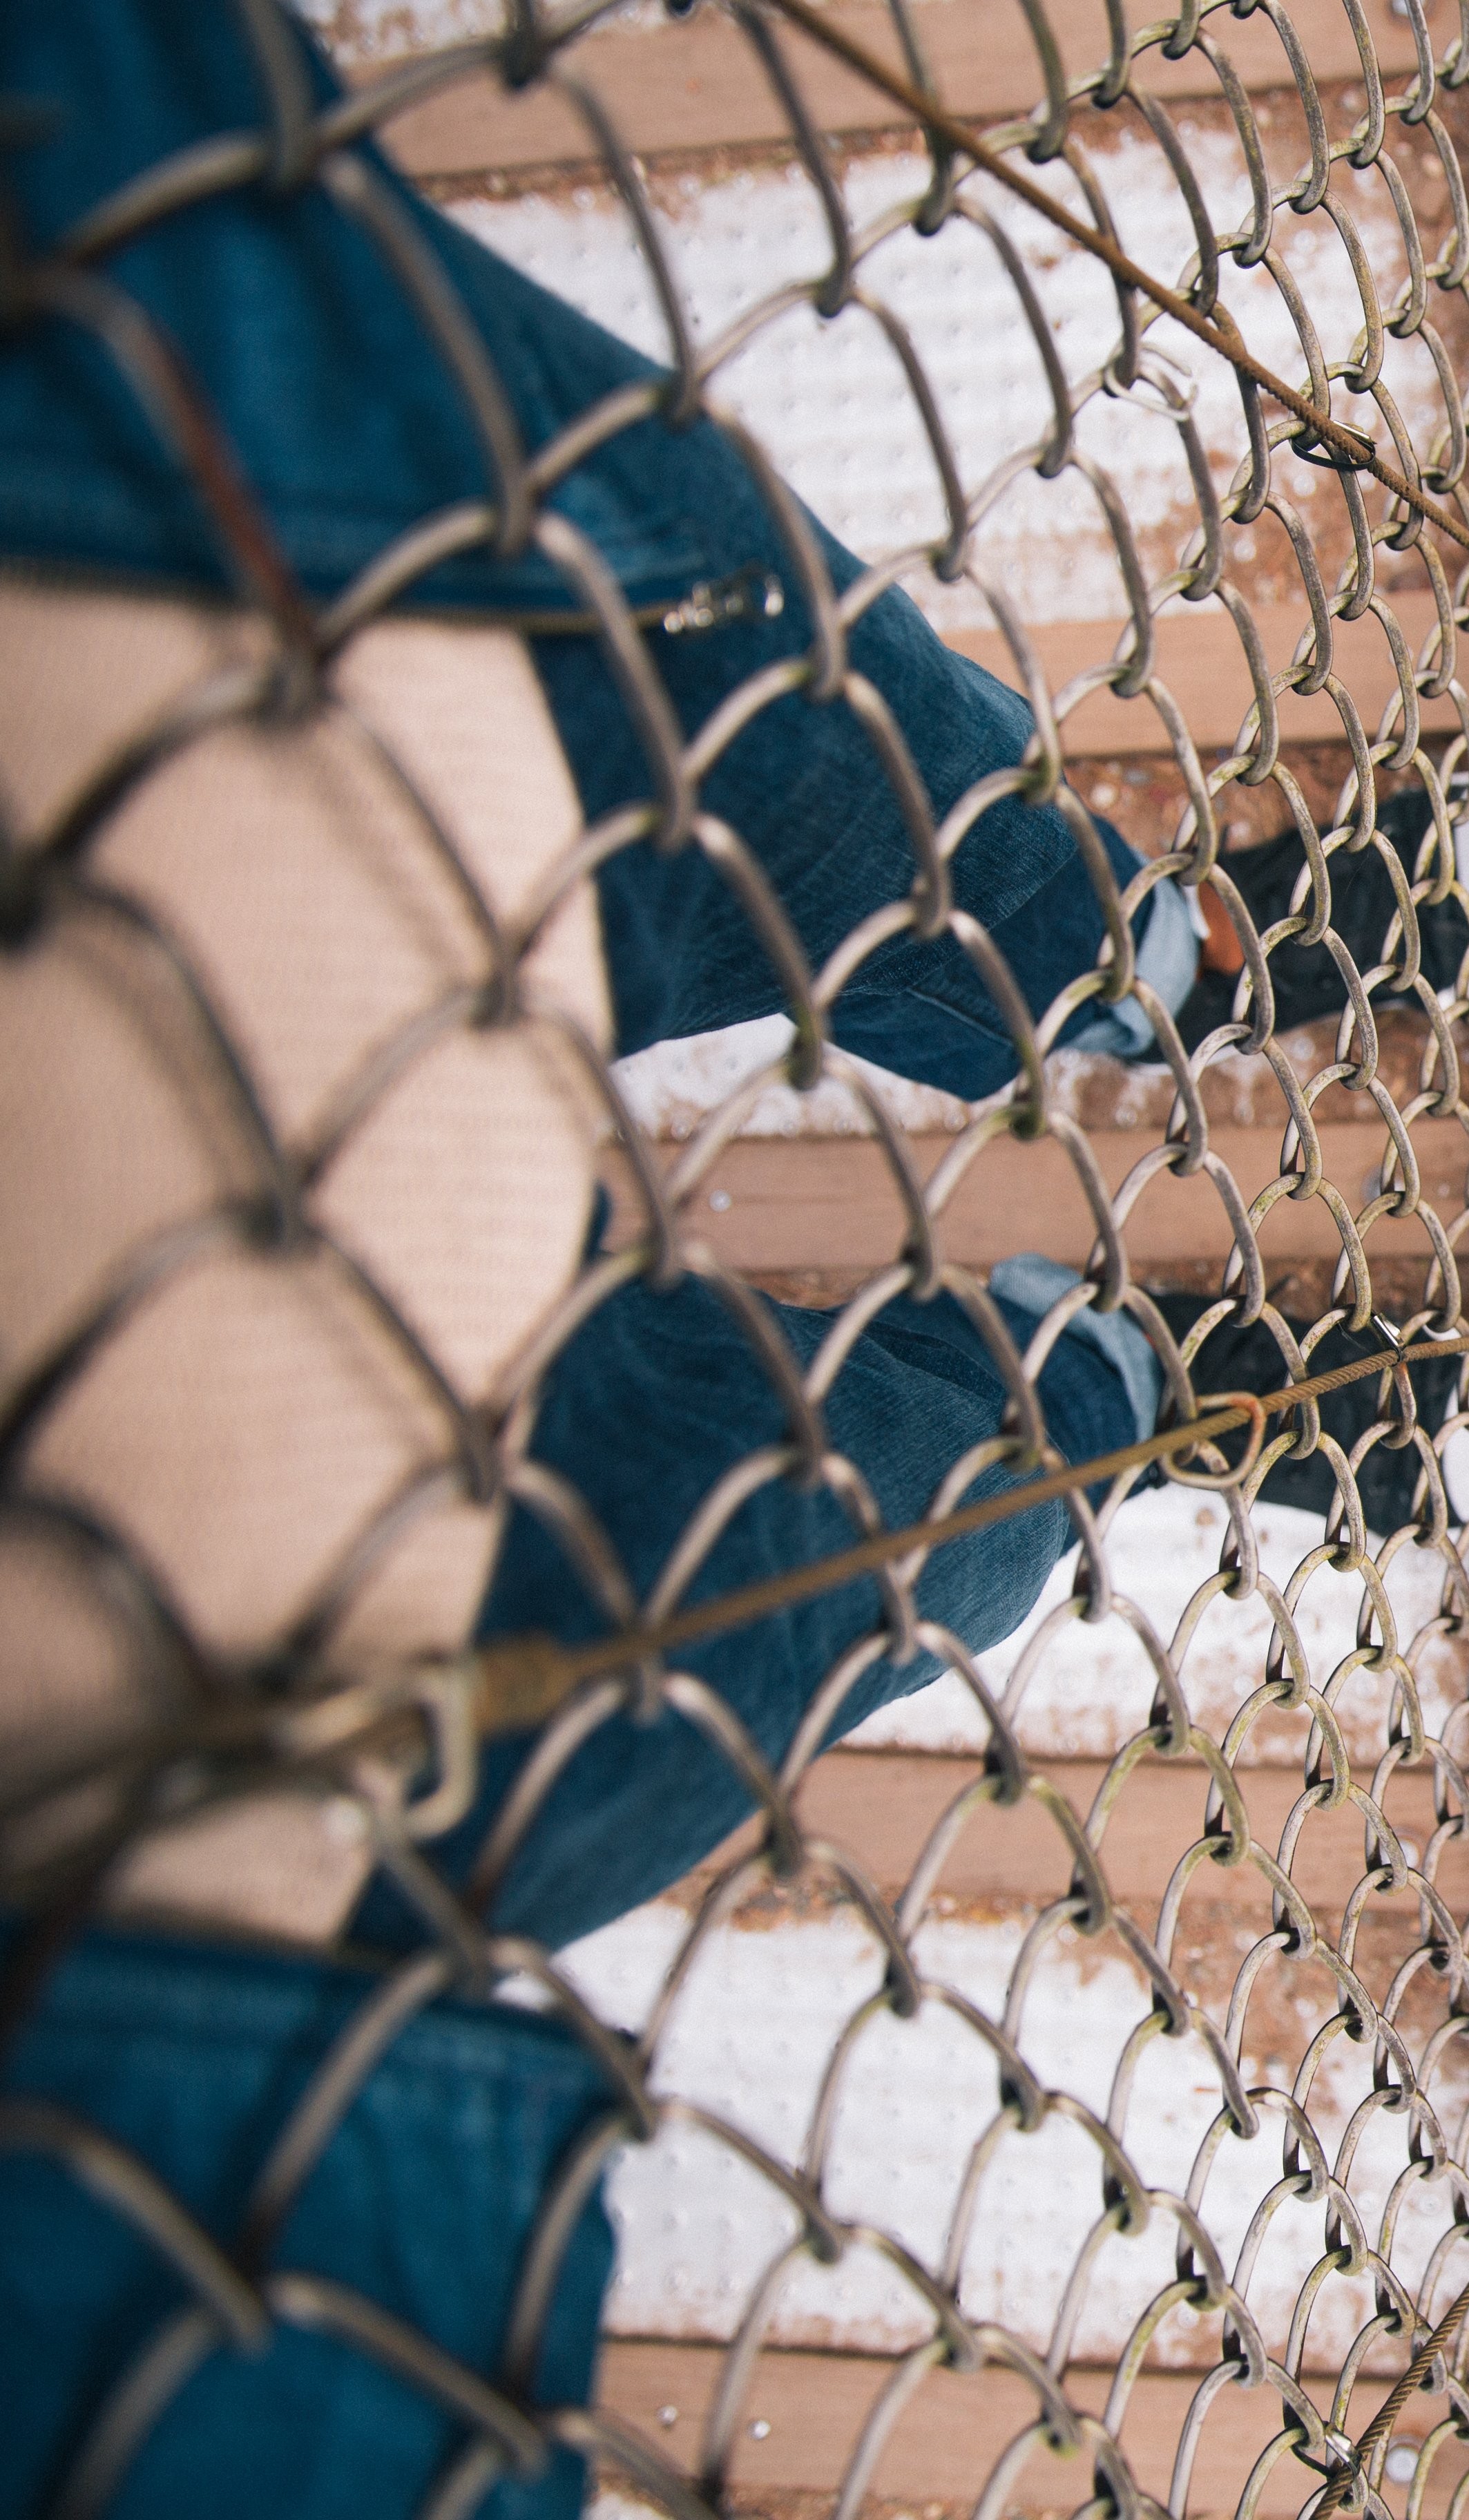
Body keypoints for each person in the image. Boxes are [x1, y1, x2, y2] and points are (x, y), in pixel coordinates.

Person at [0, 8, 1202, 2511]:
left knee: (765, 750)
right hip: (207, 2055)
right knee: (851, 1534)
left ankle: (1100, 1019)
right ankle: (1127, 1329)